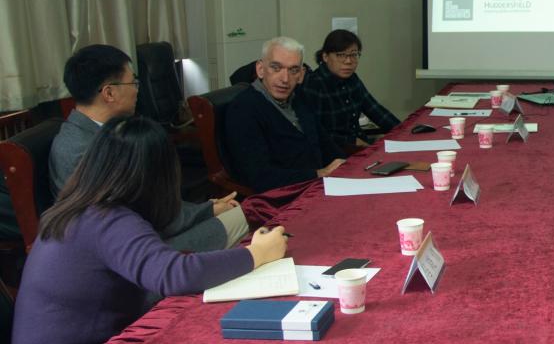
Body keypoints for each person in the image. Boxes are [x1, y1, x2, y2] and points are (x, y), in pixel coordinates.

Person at [9, 116, 289, 344]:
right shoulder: (106, 219)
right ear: (157, 175)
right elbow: (173, 274)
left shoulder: (81, 208)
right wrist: (256, 254)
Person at [49, 45, 247, 252]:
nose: (137, 90)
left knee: (239, 214)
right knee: (245, 218)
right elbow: (137, 216)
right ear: (109, 93)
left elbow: (148, 202)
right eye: (133, 82)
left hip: (150, 230)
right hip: (131, 250)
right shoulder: (79, 150)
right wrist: (205, 212)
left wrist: (206, 209)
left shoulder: (105, 131)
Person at [224, 36, 345, 192]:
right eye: (276, 68)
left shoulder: (299, 97)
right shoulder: (243, 109)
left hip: (319, 186)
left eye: (293, 70)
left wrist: (346, 165)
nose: (285, 79)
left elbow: (325, 143)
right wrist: (319, 174)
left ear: (301, 75)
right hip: (285, 196)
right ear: (260, 69)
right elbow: (260, 177)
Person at [300, 29, 399, 153]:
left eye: (353, 55)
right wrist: (352, 141)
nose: (348, 61)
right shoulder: (314, 84)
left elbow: (375, 110)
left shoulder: (352, 78)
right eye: (341, 55)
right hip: (334, 153)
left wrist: (403, 131)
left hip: (359, 145)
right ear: (325, 57)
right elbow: (316, 133)